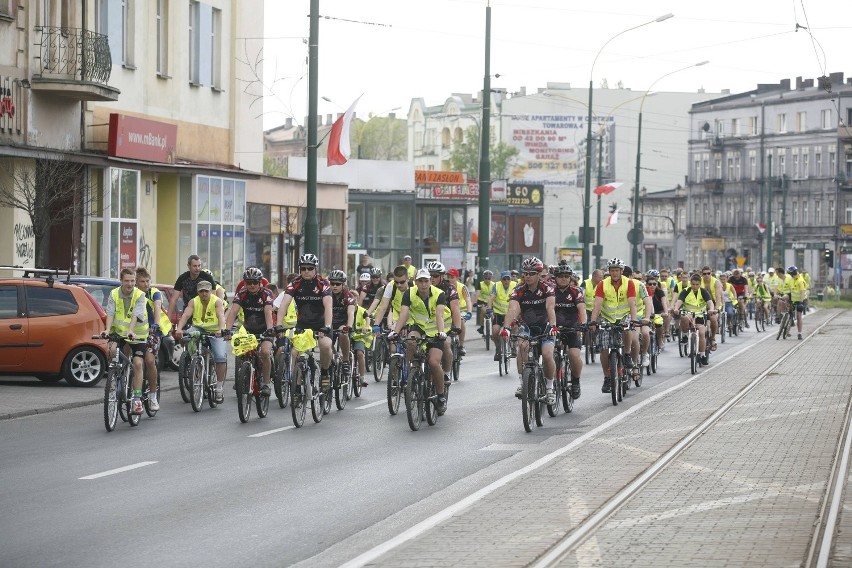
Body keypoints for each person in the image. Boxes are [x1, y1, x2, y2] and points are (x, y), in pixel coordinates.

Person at [389, 268, 449, 415]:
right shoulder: (409, 293)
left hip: (435, 331)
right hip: (419, 328)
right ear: (415, 282)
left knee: (433, 362)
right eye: (420, 281)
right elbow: (403, 314)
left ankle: (441, 396)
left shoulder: (439, 294)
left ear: (430, 281)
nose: (423, 284)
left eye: (426, 281)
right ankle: (412, 372)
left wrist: (441, 333)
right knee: (410, 341)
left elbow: (440, 315)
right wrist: (395, 332)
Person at [276, 254, 334, 392]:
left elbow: (328, 306)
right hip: (303, 323)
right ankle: (296, 386)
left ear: (315, 269)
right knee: (295, 352)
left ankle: (325, 372)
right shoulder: (295, 283)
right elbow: (284, 304)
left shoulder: (323, 283)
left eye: (310, 268)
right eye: (303, 268)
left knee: (325, 346)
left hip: (321, 323)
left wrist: (327, 326)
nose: (306, 271)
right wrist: (278, 325)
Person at [503, 257, 557, 403]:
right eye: (525, 273)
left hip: (545, 326)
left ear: (539, 275)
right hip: (528, 326)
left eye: (531, 273)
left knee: (546, 354)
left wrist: (553, 326)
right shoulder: (519, 290)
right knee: (521, 345)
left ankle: (550, 388)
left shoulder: (547, 288)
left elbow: (550, 307)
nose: (527, 276)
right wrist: (506, 328)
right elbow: (513, 308)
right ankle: (523, 381)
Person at [588, 258, 640, 394]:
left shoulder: (629, 283)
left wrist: (633, 320)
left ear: (622, 271)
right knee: (604, 348)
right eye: (612, 270)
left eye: (617, 270)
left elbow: (632, 304)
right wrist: (593, 321)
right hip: (607, 317)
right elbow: (597, 305)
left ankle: (627, 353)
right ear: (609, 271)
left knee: (627, 327)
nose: (615, 273)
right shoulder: (602, 284)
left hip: (624, 315)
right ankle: (607, 377)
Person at [102, 268, 149, 415]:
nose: (130, 284)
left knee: (138, 363)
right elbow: (110, 312)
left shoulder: (140, 295)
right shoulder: (114, 293)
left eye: (132, 281)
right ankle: (115, 380)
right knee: (111, 351)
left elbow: (136, 314)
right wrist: (107, 330)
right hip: (118, 332)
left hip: (137, 334)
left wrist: (131, 330)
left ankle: (136, 399)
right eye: (127, 280)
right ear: (121, 281)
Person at [224, 267, 275, 396]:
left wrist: (270, 330)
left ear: (260, 283)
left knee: (265, 352)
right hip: (248, 330)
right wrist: (227, 330)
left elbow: (268, 312)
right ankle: (243, 376)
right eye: (248, 282)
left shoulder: (266, 294)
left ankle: (266, 383)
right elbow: (233, 311)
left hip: (265, 329)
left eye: (255, 282)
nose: (252, 285)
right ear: (245, 283)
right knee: (241, 352)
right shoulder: (241, 293)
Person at [174, 279, 228, 402]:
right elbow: (186, 315)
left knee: (220, 357)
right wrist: (180, 329)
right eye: (201, 291)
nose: (204, 294)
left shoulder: (217, 301)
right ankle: (194, 361)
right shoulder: (194, 301)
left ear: (211, 292)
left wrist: (221, 330)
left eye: (206, 291)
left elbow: (221, 316)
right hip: (199, 328)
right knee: (187, 336)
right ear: (198, 292)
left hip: (215, 330)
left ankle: (219, 388)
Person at [135, 267, 172, 411]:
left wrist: (155, 325)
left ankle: (152, 395)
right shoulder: (133, 293)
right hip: (137, 331)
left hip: (153, 331)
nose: (146, 284)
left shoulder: (154, 293)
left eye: (147, 281)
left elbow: (157, 308)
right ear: (136, 283)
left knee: (149, 360)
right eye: (142, 281)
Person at [552, 262, 585, 399]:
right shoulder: (550, 291)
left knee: (573, 355)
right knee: (548, 354)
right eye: (560, 276)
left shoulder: (576, 291)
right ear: (556, 278)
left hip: (572, 327)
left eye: (566, 276)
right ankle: (549, 381)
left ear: (570, 278)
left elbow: (582, 309)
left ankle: (576, 382)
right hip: (554, 328)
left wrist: (582, 324)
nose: (564, 279)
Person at [328, 269, 366, 387]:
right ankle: (333, 357)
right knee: (326, 345)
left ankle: (345, 361)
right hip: (329, 324)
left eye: (338, 284)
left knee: (343, 333)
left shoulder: (348, 296)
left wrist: (349, 326)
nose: (334, 286)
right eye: (332, 283)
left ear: (343, 284)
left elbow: (350, 313)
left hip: (343, 323)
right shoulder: (326, 294)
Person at [427, 261, 462, 382]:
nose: (431, 278)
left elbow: (455, 309)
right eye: (429, 275)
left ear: (442, 276)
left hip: (445, 327)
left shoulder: (450, 289)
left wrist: (457, 327)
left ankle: (446, 373)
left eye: (435, 276)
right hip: (427, 326)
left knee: (446, 344)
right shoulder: (423, 287)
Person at [670, 273, 716, 365]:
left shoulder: (703, 291)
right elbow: (679, 301)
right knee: (684, 318)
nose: (695, 286)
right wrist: (676, 309)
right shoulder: (685, 291)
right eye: (693, 284)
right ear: (690, 283)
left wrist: (711, 309)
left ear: (700, 284)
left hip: (700, 315)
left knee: (702, 333)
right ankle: (686, 335)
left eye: (697, 284)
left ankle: (702, 355)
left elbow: (710, 302)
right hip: (689, 313)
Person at [170, 254, 216, 322]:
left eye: (199, 265)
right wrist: (168, 320)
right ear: (189, 266)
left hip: (204, 313)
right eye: (194, 266)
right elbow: (173, 300)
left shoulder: (207, 277)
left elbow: (213, 298)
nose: (197, 268)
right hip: (188, 312)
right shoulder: (182, 278)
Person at [488, 270, 517, 361]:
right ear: (501, 280)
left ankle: (513, 346)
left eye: (508, 279)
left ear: (510, 279)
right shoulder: (496, 286)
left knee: (515, 328)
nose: (506, 281)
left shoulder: (515, 285)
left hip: (511, 313)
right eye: (504, 279)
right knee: (495, 331)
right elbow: (491, 298)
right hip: (498, 313)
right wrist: (489, 308)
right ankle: (498, 348)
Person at [447, 268, 472, 355]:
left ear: (457, 278)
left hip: (461, 311)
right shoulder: (444, 286)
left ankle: (461, 346)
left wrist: (469, 312)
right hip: (448, 311)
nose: (449, 279)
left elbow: (468, 300)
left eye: (452, 277)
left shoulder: (462, 287)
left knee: (461, 321)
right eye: (448, 277)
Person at [645, 269, 670, 349]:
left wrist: (666, 312)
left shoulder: (660, 292)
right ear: (646, 284)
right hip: (647, 312)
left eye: (654, 284)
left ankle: (659, 339)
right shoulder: (644, 292)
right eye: (650, 284)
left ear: (657, 284)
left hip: (659, 311)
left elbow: (664, 303)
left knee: (658, 324)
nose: (652, 286)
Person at [699, 266, 723, 351]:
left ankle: (712, 338)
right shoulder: (698, 281)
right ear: (701, 274)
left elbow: (718, 297)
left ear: (711, 273)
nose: (706, 275)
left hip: (713, 303)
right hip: (701, 304)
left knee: (713, 319)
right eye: (704, 274)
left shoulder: (716, 282)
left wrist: (715, 309)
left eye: (708, 273)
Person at [786, 265, 808, 340]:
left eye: (790, 274)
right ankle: (787, 330)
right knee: (789, 312)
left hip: (801, 300)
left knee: (799, 316)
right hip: (793, 299)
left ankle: (799, 333)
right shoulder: (792, 279)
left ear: (792, 273)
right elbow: (790, 289)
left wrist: (801, 302)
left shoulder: (800, 280)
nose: (789, 275)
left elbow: (802, 292)